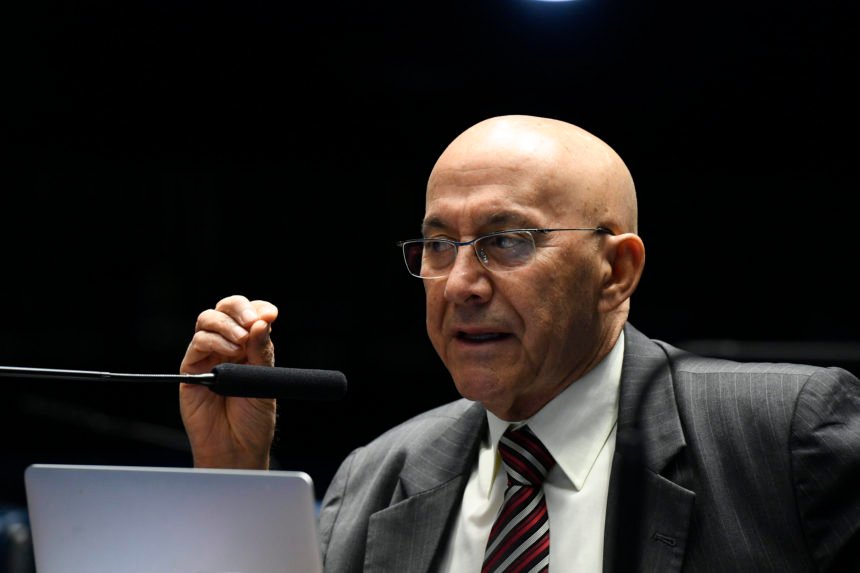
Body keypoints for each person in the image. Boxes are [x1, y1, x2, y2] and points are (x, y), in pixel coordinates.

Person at [178, 114, 860, 572]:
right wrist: (234, 480)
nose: (459, 284)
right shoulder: (375, 477)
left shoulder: (784, 434)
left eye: (507, 240)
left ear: (616, 271)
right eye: (438, 244)